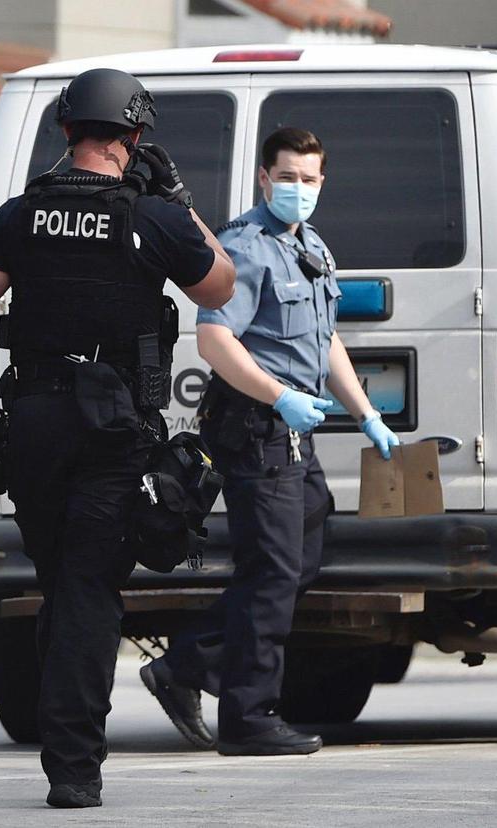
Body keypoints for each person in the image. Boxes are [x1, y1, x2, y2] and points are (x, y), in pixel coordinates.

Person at [0, 68, 235, 808]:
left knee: (61, 584)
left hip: (36, 428)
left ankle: (65, 740)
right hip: (111, 429)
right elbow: (221, 285)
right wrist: (178, 198)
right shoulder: (156, 217)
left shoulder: (22, 216)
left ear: (66, 130)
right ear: (136, 137)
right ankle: (74, 765)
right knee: (87, 590)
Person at [141, 127, 400, 757]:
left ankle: (187, 665)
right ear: (265, 178)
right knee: (273, 571)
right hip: (257, 427)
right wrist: (277, 395)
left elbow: (325, 339)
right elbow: (213, 339)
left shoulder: (310, 246)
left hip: (294, 435)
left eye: (310, 179)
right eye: (288, 177)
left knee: (303, 553)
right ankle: (249, 716)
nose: (300, 190)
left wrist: (366, 412)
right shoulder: (246, 248)